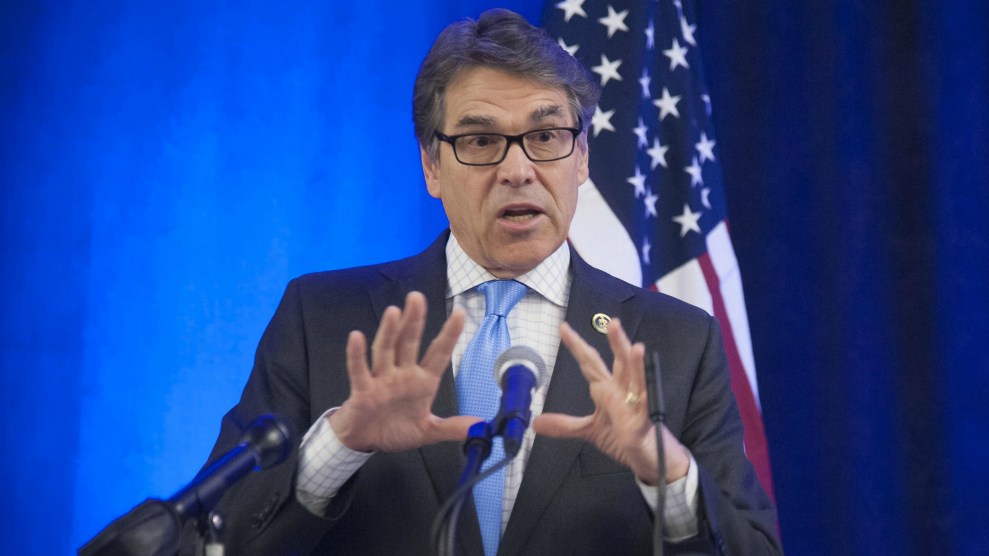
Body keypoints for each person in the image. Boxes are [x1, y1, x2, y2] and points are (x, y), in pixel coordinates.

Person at [187, 9, 781, 555]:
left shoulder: (676, 341)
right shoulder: (322, 319)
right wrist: (338, 446)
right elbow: (212, 538)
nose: (517, 170)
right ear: (431, 165)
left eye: (545, 137)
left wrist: (668, 476)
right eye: (480, 141)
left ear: (581, 158)